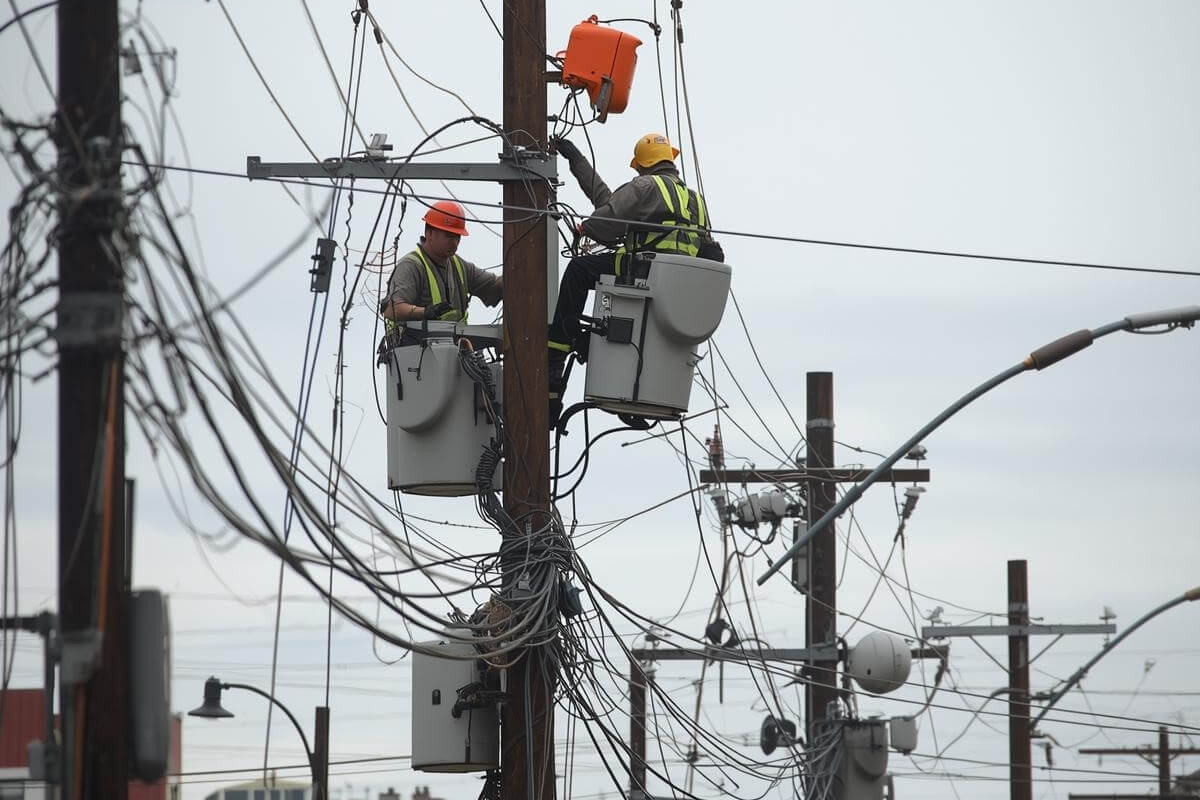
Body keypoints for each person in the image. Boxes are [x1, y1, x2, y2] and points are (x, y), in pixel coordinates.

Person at [547, 133, 723, 422]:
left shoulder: (643, 186)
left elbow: (609, 218)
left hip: (643, 269)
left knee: (579, 271)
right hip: (679, 284)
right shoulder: (695, 200)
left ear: (642, 164)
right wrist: (575, 160)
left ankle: (555, 352)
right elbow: (609, 201)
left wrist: (586, 229)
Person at [380, 200, 502, 340]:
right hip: (418, 355)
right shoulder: (411, 266)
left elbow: (494, 286)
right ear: (429, 233)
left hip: (454, 353)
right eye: (449, 236)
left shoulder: (460, 266)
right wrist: (424, 312)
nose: (455, 242)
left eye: (457, 237)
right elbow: (390, 309)